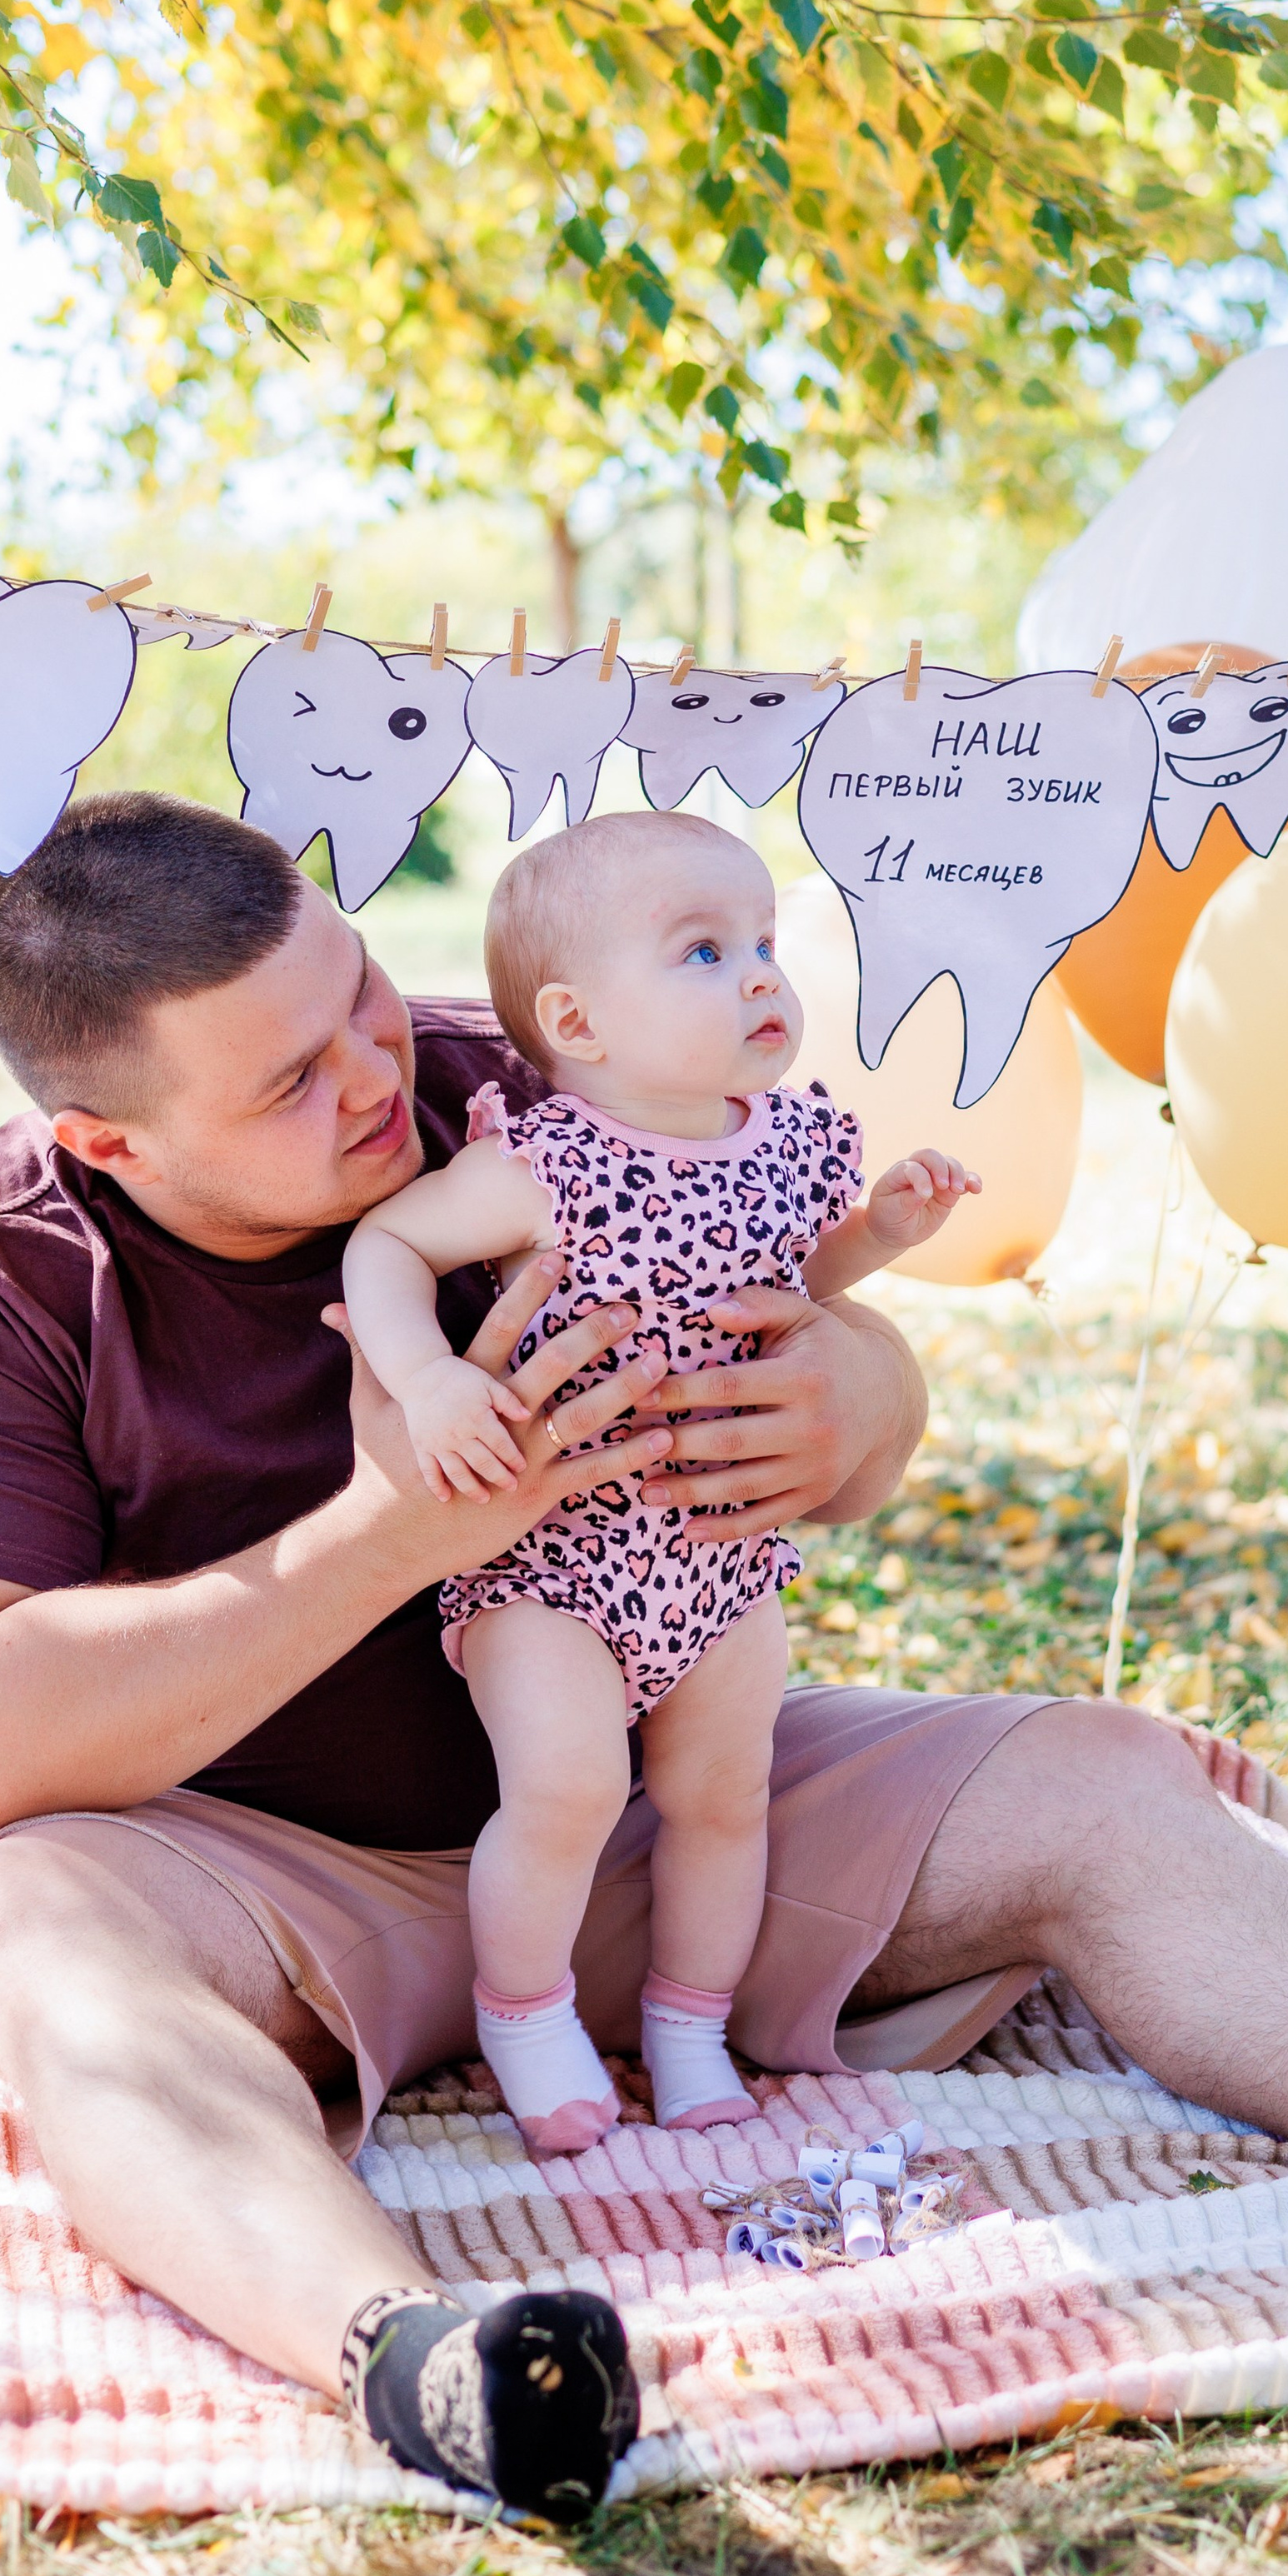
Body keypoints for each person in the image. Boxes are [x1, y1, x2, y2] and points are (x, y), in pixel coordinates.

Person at [0, 795, 1288, 2525]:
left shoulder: (526, 1082)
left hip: (646, 1824)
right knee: (19, 1921)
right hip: (258, 1887)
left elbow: (837, 1349)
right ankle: (422, 2358)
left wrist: (854, 1392)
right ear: (112, 1144)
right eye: (285, 1081)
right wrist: (389, 1539)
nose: (376, 1074)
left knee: (1091, 1776)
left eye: (357, 994)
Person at [341, 810, 976, 2160]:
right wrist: (429, 1380)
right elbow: (386, 1246)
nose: (760, 976)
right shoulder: (543, 1164)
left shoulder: (790, 1142)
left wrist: (883, 1232)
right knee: (565, 1789)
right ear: (577, 1019)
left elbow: (794, 1285)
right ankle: (525, 2011)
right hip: (556, 1553)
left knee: (722, 1794)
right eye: (703, 952)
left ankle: (692, 2025)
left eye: (762, 945)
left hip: (716, 1550)